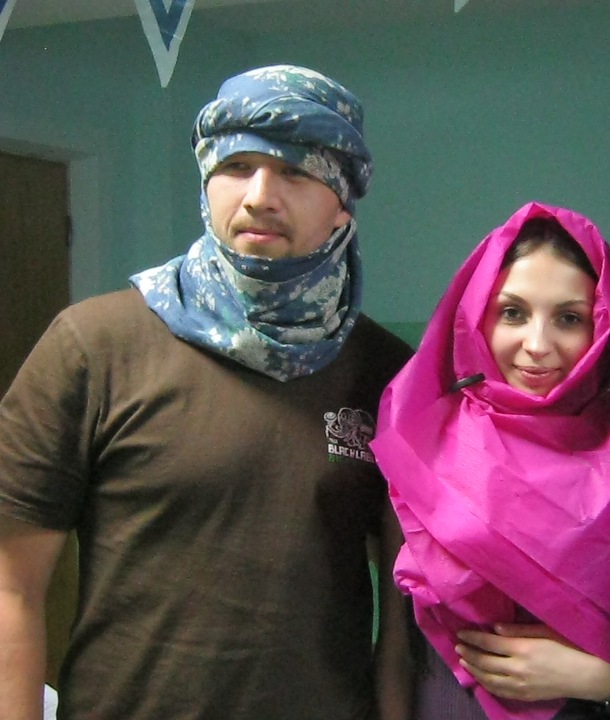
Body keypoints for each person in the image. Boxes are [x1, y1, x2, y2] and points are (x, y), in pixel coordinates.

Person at [0, 65, 414, 720]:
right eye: (237, 166)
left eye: (294, 172)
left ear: (342, 200)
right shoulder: (95, 346)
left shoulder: (389, 374)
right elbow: (12, 590)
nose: (259, 196)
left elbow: (403, 625)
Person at [370, 202, 610, 720]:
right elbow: (397, 652)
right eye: (512, 312)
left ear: (606, 327)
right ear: (476, 316)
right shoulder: (422, 447)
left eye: (570, 318)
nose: (537, 345)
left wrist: (598, 678)